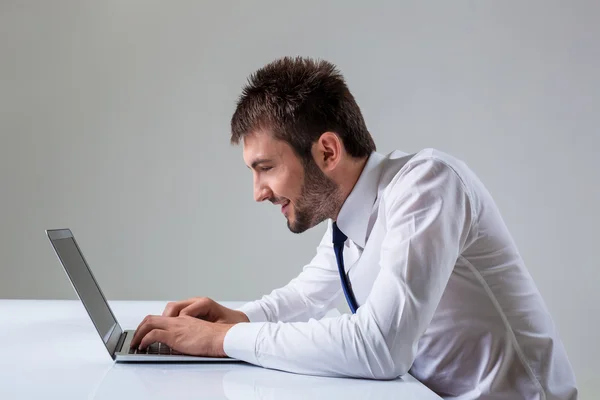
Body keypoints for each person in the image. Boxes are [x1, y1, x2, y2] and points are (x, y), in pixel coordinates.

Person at [130, 56, 578, 399]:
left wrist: (223, 340)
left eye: (265, 167)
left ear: (327, 151)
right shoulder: (346, 221)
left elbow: (381, 346)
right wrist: (238, 317)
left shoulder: (427, 186)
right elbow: (308, 296)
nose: (258, 192)